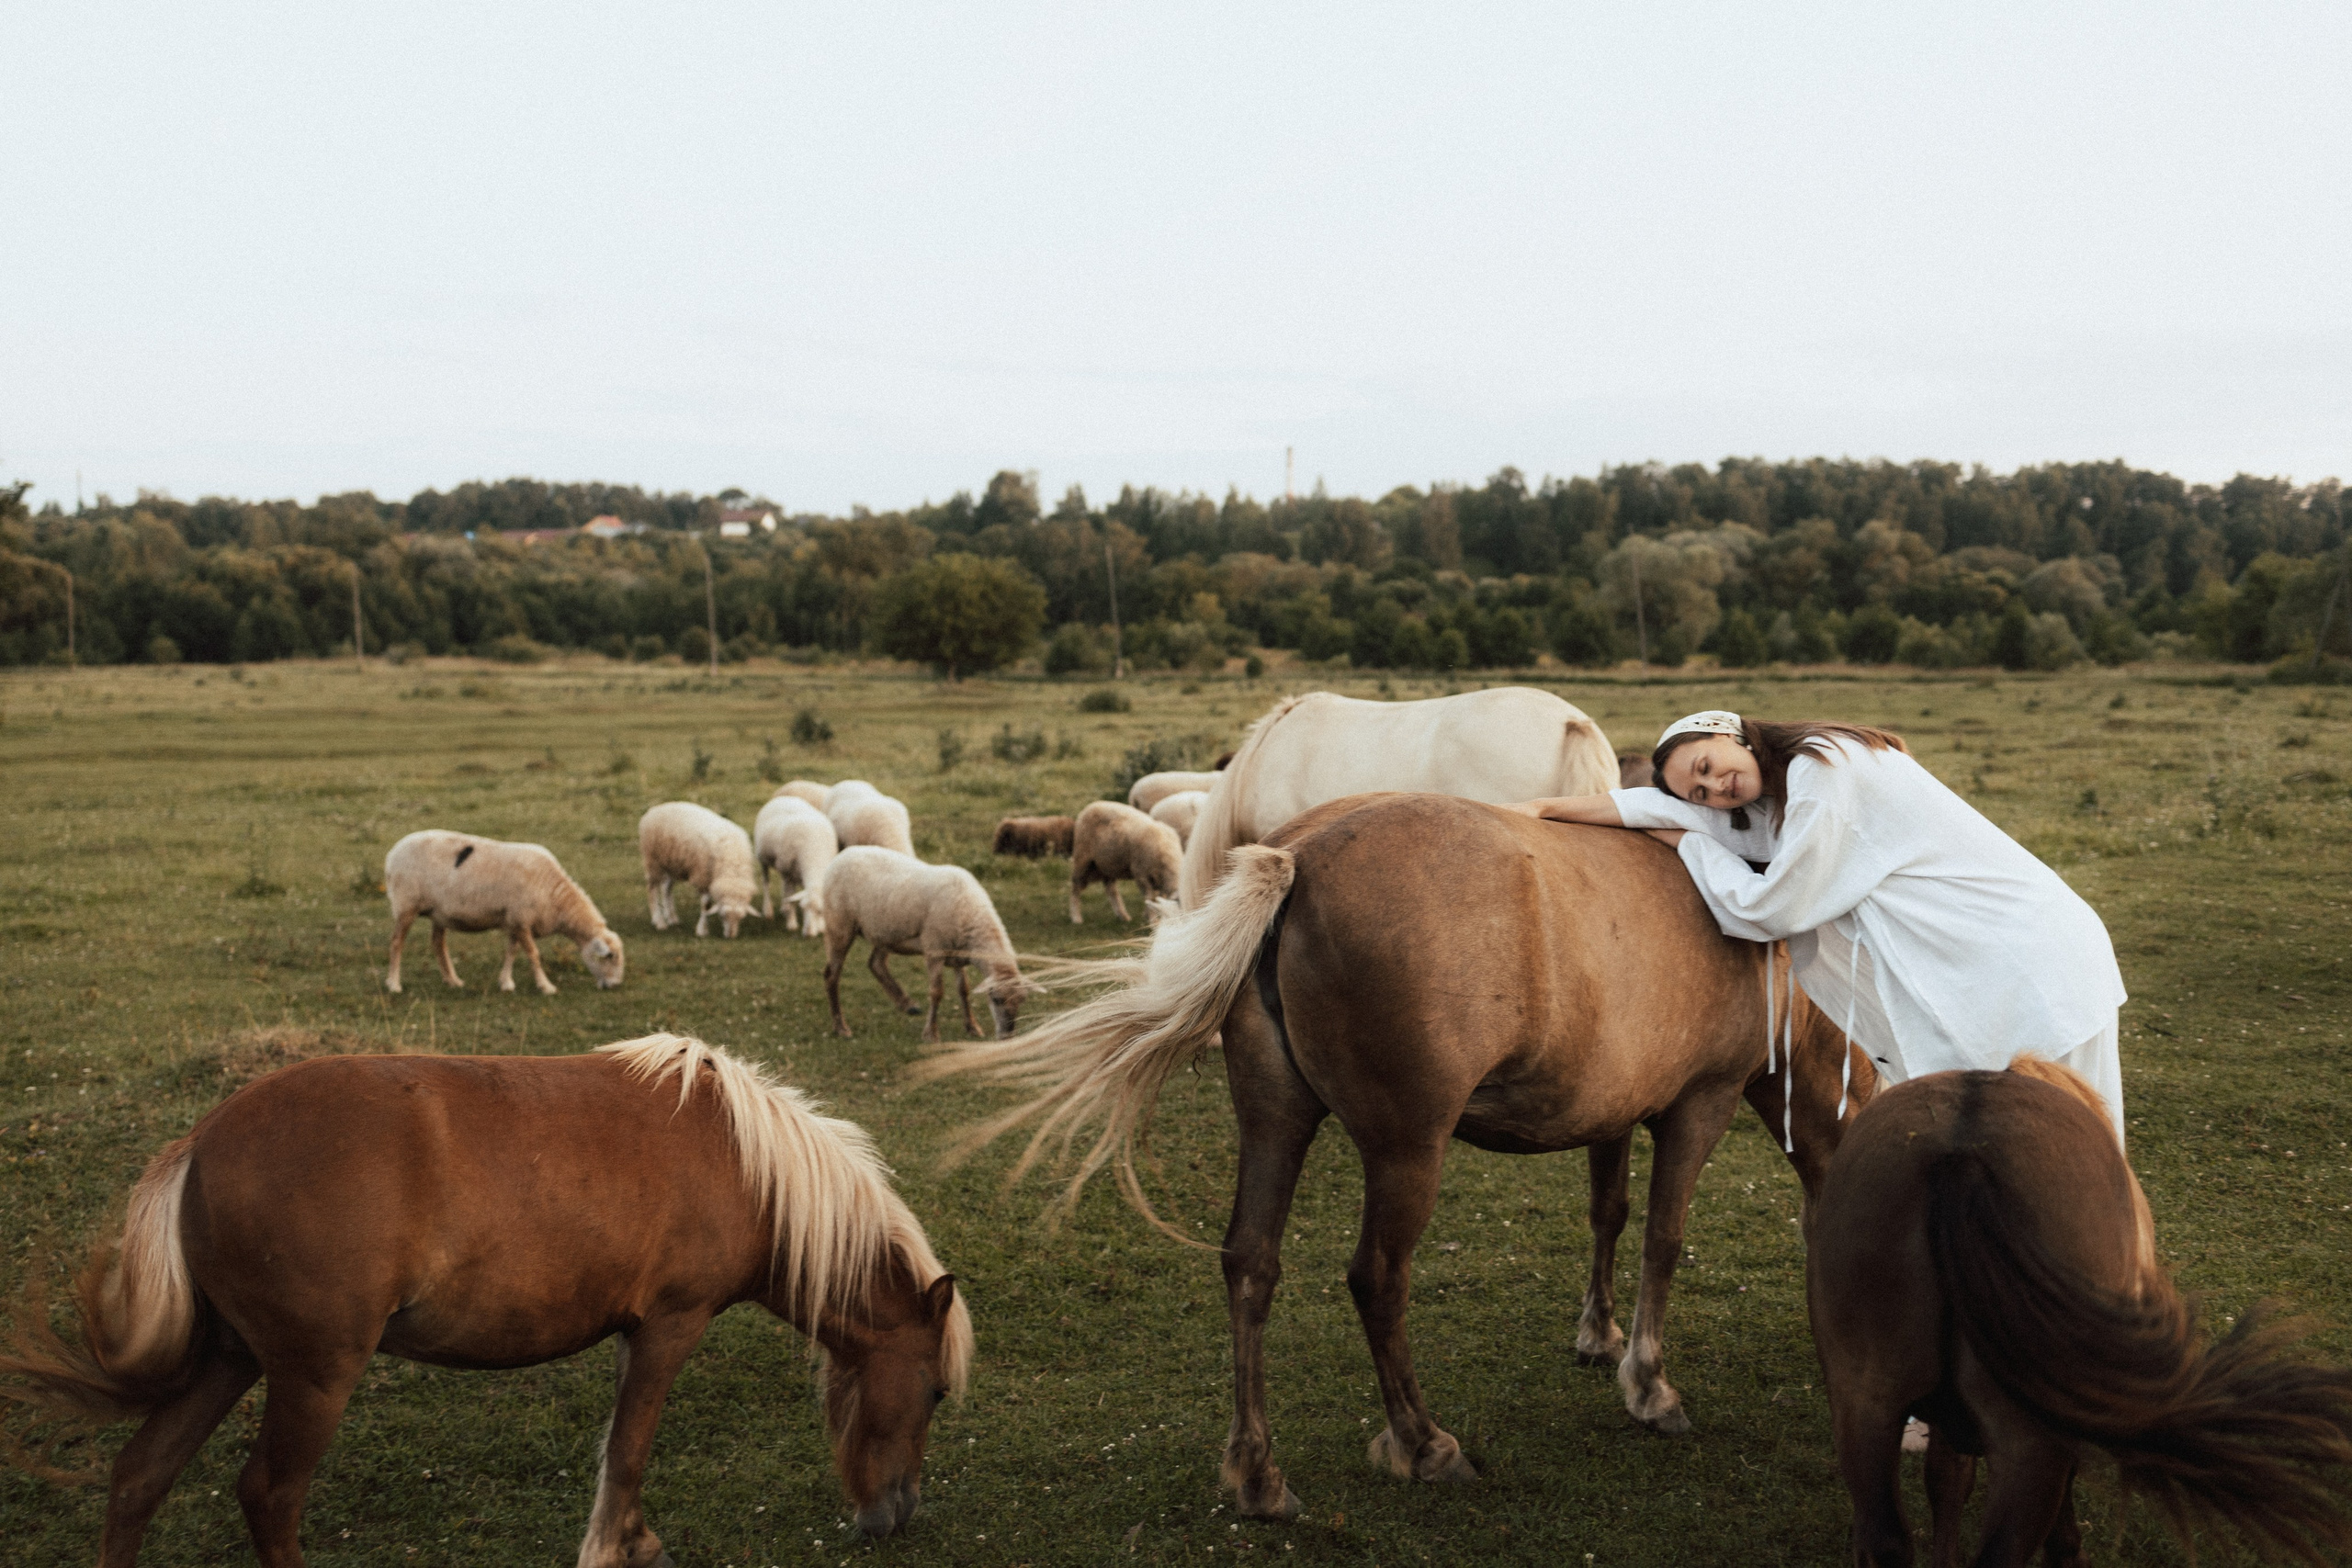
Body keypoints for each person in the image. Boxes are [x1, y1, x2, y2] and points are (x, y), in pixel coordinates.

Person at [1510, 709, 2127, 1139]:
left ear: (1731, 732)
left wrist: (1689, 847)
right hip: (1988, 964)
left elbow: (1772, 908)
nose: (1710, 787)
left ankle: (2101, 1295)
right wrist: (1544, 807)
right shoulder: (1776, 797)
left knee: (2074, 1141)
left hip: (2036, 959)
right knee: (2004, 1138)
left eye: (1705, 764)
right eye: (1697, 790)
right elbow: (1659, 807)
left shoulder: (1824, 771)